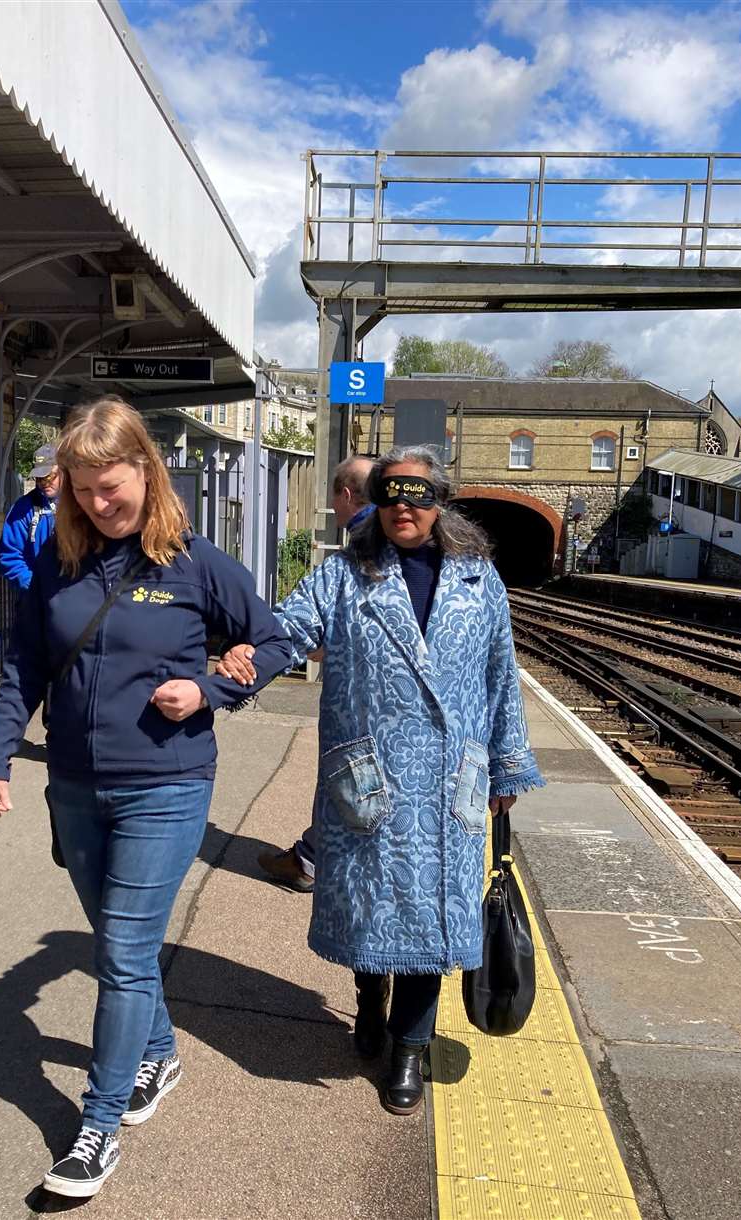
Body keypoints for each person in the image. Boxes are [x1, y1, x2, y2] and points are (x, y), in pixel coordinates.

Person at [0, 397, 292, 1200]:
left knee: (118, 953)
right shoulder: (58, 563)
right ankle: (160, 1052)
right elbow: (25, 671)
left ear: (146, 472)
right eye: (79, 491)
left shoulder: (195, 563)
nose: (95, 505)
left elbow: (279, 639)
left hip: (167, 785)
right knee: (121, 943)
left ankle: (97, 1126)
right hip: (75, 786)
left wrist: (211, 689)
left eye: (108, 487)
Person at [217, 446, 543, 1115]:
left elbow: (501, 678)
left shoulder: (480, 581)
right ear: (376, 497)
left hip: (451, 781)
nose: (404, 506)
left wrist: (507, 765)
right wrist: (238, 655)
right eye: (392, 493)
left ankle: (409, 1049)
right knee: (371, 909)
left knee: (431, 918)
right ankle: (371, 1003)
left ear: (440, 501)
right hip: (369, 777)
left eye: (419, 494)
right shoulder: (343, 576)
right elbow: (286, 628)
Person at [255, 454, 374, 893]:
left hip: (357, 705)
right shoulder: (451, 563)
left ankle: (312, 862)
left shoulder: (352, 557)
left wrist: (219, 684)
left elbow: (290, 630)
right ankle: (313, 855)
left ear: (344, 495)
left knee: (345, 778)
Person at [0, 445, 60, 591]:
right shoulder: (23, 508)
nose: (44, 483)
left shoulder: (80, 503)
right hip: (36, 600)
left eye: (49, 477)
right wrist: (34, 587)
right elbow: (10, 555)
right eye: (39, 478)